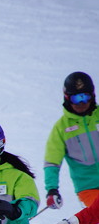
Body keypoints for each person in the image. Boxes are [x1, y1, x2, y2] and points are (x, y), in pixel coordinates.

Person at [43, 71, 99, 210]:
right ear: (67, 98)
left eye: (85, 97)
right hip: (88, 188)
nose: (81, 103)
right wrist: (52, 190)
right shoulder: (62, 128)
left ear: (92, 96)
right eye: (76, 98)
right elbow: (52, 161)